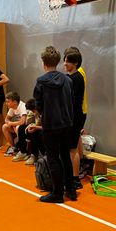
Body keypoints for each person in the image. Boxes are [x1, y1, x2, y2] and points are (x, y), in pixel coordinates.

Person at [33, 46, 75, 203]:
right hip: (66, 123)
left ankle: (57, 193)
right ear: (57, 62)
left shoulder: (41, 82)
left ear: (44, 63)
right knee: (65, 156)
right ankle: (71, 190)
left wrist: (43, 115)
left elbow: (38, 105)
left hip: (51, 124)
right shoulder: (68, 80)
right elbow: (71, 101)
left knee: (52, 158)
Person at [63, 49, 86, 189]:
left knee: (72, 149)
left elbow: (73, 101)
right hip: (73, 115)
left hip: (75, 116)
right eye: (64, 61)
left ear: (76, 63)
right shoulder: (70, 77)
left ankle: (75, 178)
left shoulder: (76, 78)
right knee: (74, 145)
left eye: (68, 62)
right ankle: (73, 174)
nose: (65, 64)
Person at [1, 92, 27, 157]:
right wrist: (12, 124)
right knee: (5, 126)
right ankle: (13, 147)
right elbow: (6, 119)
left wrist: (12, 124)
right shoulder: (12, 108)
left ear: (15, 102)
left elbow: (23, 122)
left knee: (18, 127)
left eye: (8, 102)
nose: (6, 103)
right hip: (18, 127)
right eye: (6, 102)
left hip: (26, 128)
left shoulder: (22, 107)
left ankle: (22, 148)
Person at [24, 101, 44, 166]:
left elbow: (48, 127)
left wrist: (36, 127)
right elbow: (37, 123)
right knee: (30, 130)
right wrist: (33, 126)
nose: (33, 112)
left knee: (39, 134)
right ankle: (34, 155)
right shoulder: (37, 113)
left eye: (33, 110)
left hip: (50, 131)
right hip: (43, 129)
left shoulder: (45, 112)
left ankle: (44, 156)